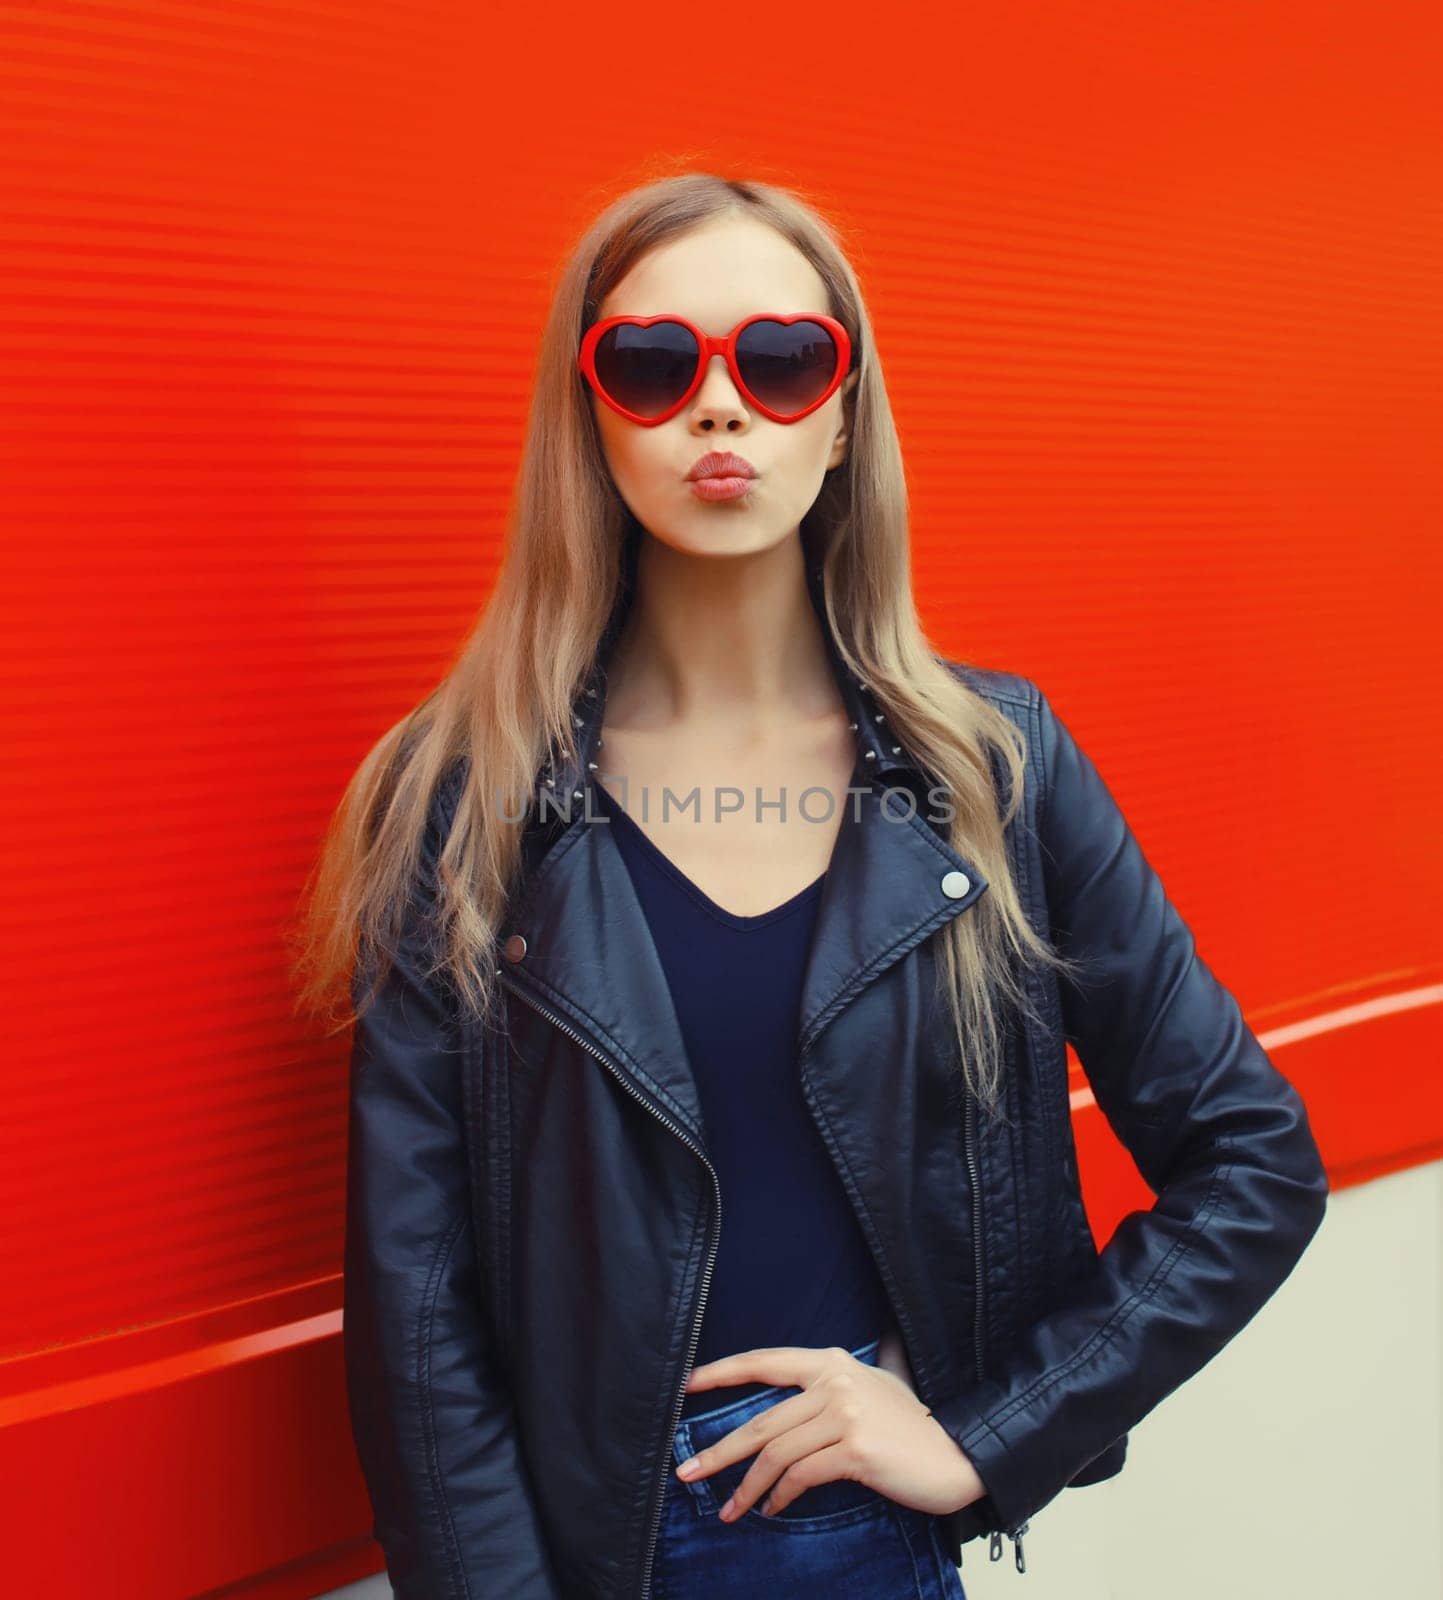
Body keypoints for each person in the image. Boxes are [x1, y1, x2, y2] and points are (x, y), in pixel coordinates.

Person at [289, 172, 1330, 1600]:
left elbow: (1252, 1160)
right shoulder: (459, 801)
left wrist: (985, 1438)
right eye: (653, 365)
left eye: (782, 361)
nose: (721, 408)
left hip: (862, 1547)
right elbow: (419, 1318)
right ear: (588, 420)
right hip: (589, 1559)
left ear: (843, 417)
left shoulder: (997, 769)